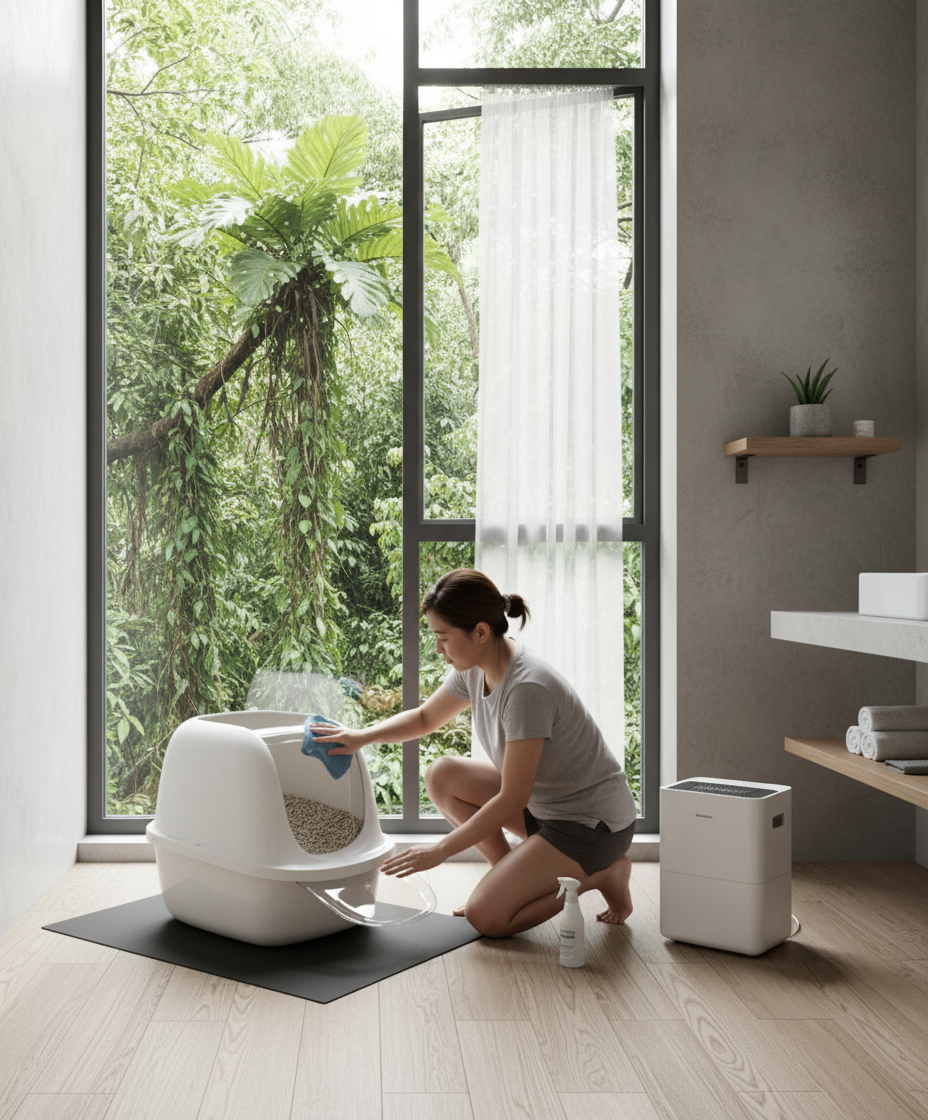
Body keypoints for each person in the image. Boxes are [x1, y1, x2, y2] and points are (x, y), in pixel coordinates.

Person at [309, 568, 638, 938]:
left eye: (443, 637)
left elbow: (513, 798)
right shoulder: (476, 668)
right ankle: (509, 876)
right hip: (547, 810)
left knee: (487, 918)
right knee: (442, 776)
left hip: (591, 826)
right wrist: (360, 737)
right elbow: (424, 718)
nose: (438, 649)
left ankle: (602, 873)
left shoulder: (528, 689)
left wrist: (440, 851)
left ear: (480, 632)